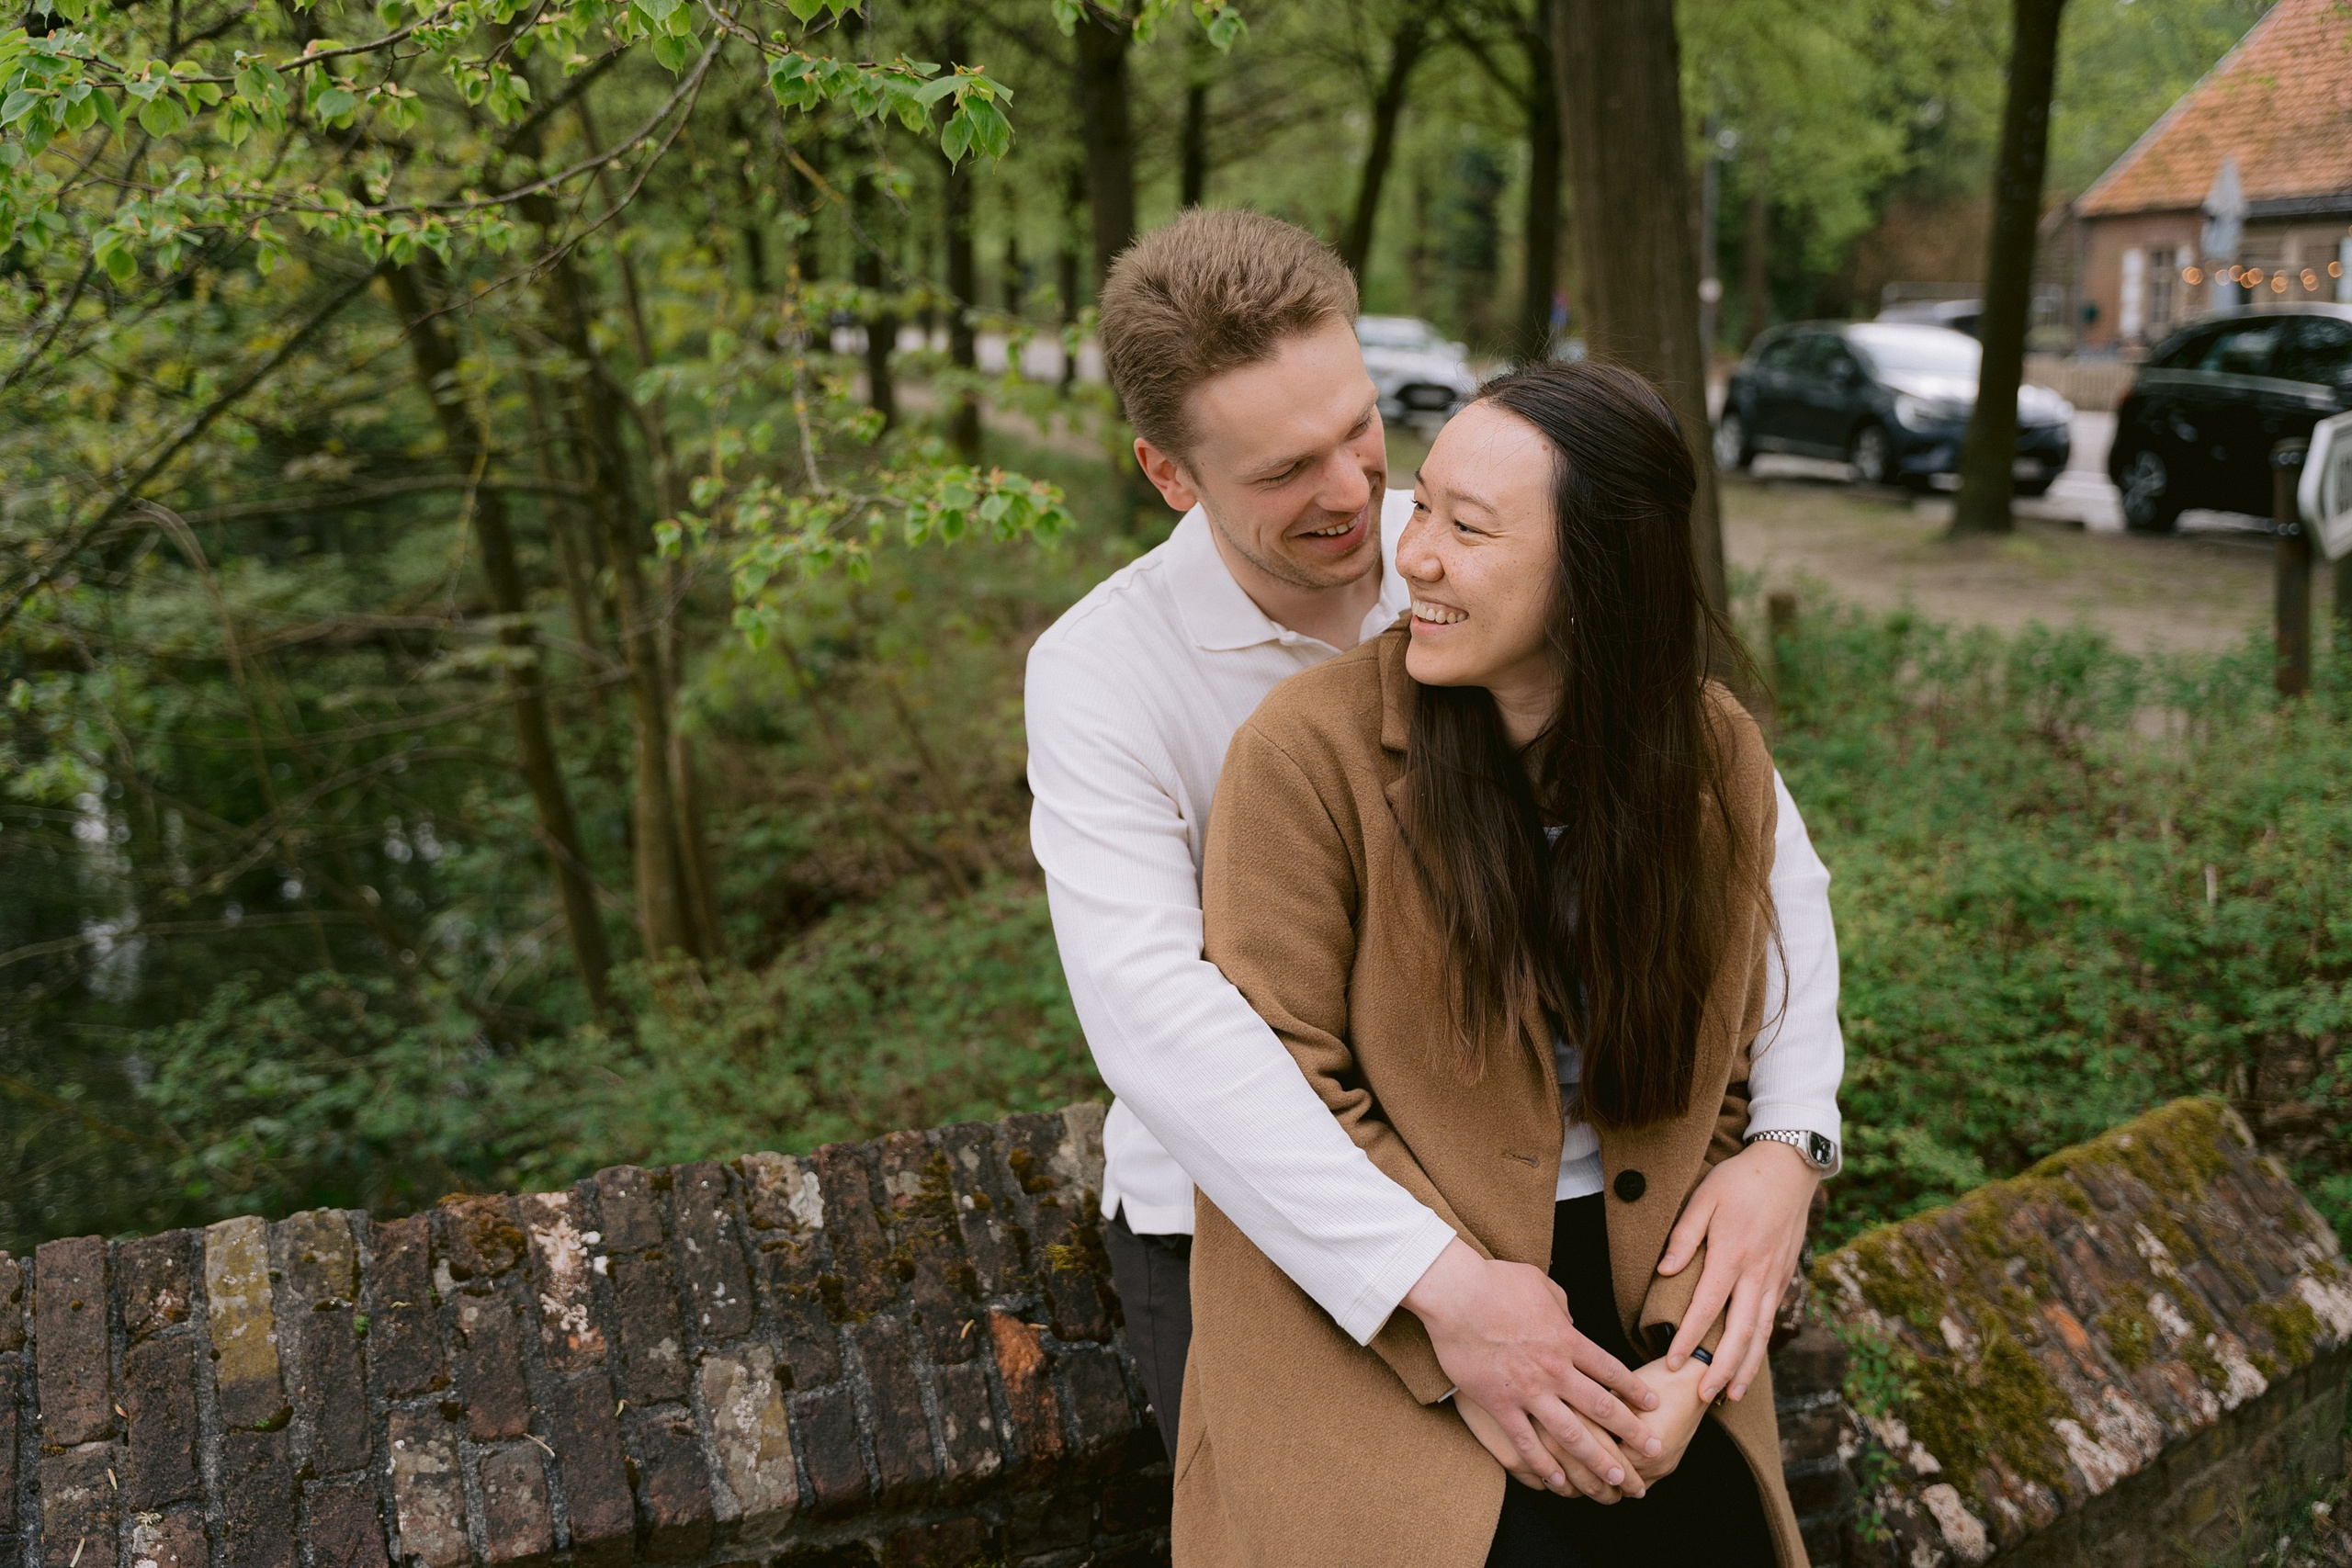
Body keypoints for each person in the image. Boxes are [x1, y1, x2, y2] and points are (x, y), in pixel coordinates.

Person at [1023, 209, 1842, 1494]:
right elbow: (1163, 1020)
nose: (1354, 493)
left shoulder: (1488, 548)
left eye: (1358, 427)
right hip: (1255, 1216)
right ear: (1171, 475)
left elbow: (1763, 868)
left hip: (1531, 1190)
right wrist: (1439, 1286)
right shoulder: (1100, 674)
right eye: (1286, 470)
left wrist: (1792, 1143)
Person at [1181, 357, 1799, 1566]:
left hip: (1637, 1281)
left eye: (1467, 528)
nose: (1410, 555)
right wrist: (1452, 1325)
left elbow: (1723, 1079)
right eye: (1423, 505)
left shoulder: (1711, 754)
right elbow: (1284, 1085)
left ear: (1594, 580)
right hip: (1371, 1291)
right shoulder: (1306, 759)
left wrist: (1693, 1365)